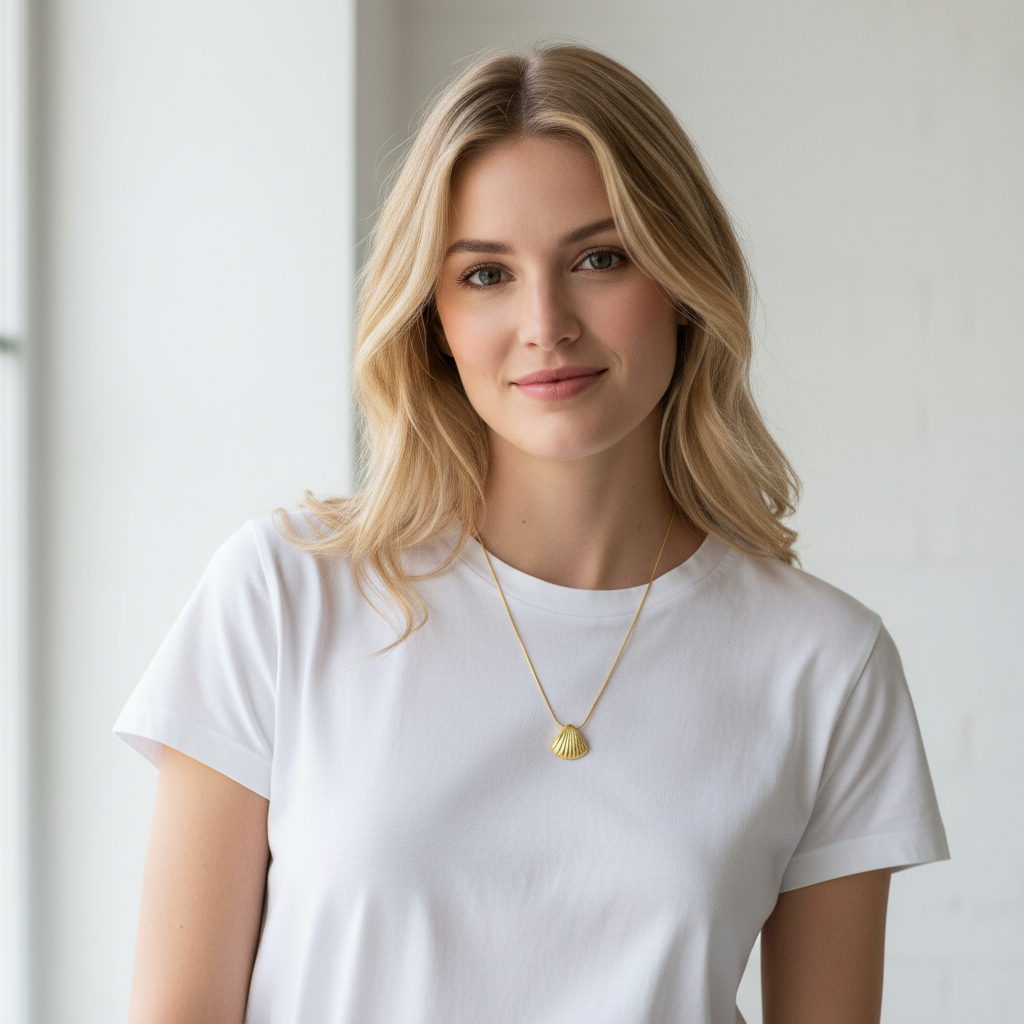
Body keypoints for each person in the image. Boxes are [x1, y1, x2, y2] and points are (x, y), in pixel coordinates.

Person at [115, 44, 949, 1024]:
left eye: (600, 258)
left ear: (681, 282)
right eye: (485, 274)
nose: (544, 322)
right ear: (433, 318)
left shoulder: (825, 663)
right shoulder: (283, 594)